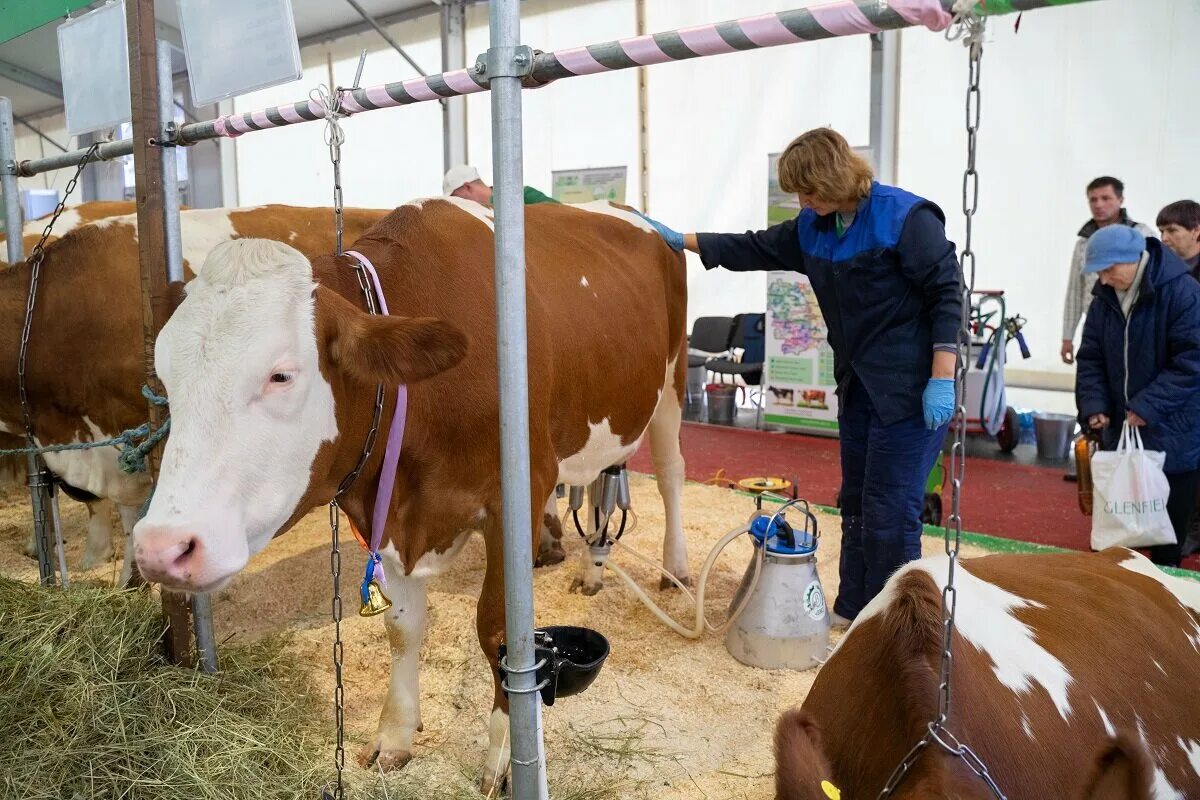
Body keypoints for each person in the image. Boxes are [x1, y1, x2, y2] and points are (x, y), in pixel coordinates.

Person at [638, 127, 961, 625]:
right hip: (859, 385)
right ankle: (854, 608)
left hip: (911, 388)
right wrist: (684, 240)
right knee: (854, 501)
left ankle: (895, 622)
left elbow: (947, 294)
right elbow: (753, 247)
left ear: (835, 180)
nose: (802, 202)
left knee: (890, 508)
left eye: (808, 192)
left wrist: (943, 374)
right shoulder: (815, 225)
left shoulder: (906, 218)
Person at [1075, 225, 1200, 567]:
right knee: (1117, 536)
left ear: (1135, 260)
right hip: (1121, 428)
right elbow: (1091, 357)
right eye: (1099, 270)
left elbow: (1192, 360)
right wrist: (1095, 406)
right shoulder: (1103, 298)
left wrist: (1148, 406)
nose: (1103, 277)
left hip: (1173, 433)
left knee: (1165, 539)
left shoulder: (1183, 293)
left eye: (1110, 268)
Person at [1061, 177, 1154, 364]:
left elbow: (1154, 282)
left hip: (1134, 326)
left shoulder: (1142, 235)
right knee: (1092, 380)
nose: (1098, 204)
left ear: (1120, 199)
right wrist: (1067, 337)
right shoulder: (1084, 244)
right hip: (1095, 328)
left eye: (1105, 198)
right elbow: (1075, 291)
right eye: (1093, 199)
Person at [442, 164, 558, 206]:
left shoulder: (524, 195)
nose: (457, 203)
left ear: (467, 187)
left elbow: (564, 215)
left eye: (456, 197)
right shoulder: (474, 217)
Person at [1156, 200, 1200, 280]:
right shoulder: (1155, 270)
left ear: (1196, 231)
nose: (1164, 238)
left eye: (1172, 230)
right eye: (1161, 231)